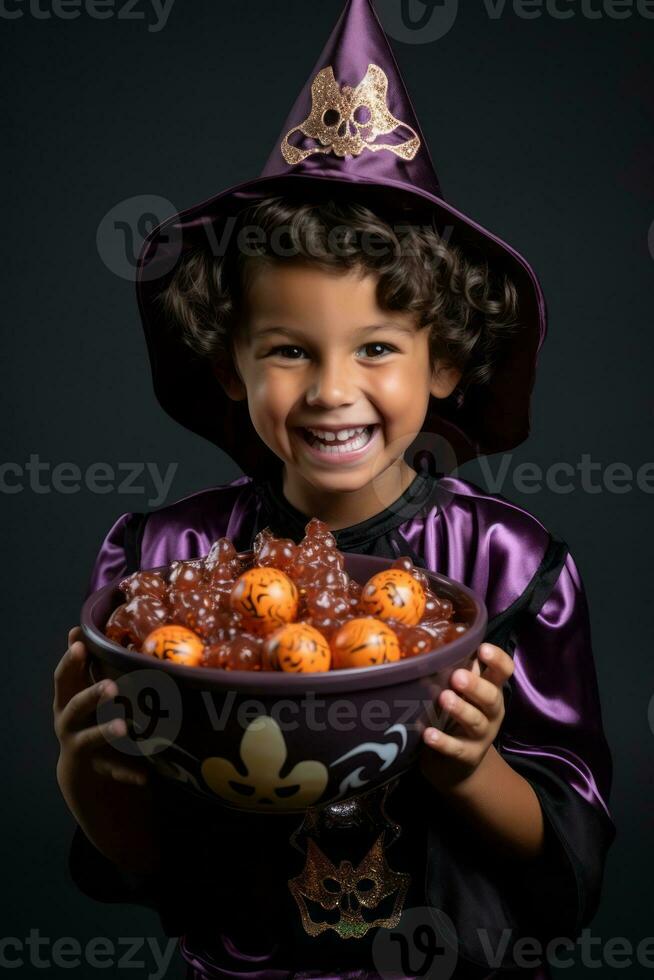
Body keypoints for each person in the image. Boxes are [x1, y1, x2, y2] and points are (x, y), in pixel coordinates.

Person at [53, 1, 616, 978]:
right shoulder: (162, 562)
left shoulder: (513, 567)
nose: (330, 389)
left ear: (442, 363)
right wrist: (85, 774)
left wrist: (471, 768)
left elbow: (568, 868)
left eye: (377, 348)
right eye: (286, 350)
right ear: (230, 364)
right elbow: (146, 863)